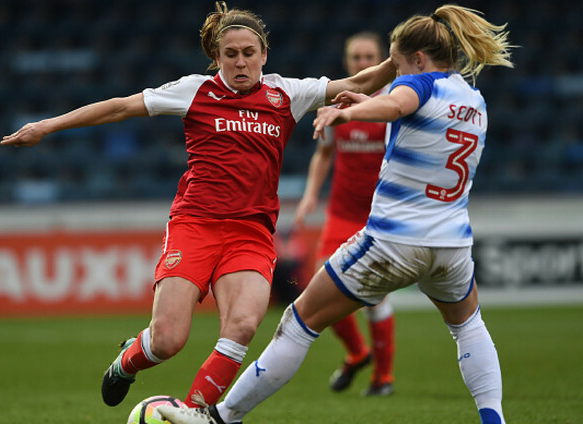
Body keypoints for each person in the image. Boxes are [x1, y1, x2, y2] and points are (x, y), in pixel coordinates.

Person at [0, 1, 396, 411]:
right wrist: (47, 125)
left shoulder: (286, 92)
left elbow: (363, 81)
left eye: (249, 53)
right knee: (168, 340)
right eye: (230, 54)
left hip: (251, 233)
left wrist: (399, 57)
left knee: (242, 327)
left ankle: (192, 414)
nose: (240, 62)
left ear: (264, 55)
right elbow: (120, 106)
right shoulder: (195, 90)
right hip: (195, 225)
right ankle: (126, 362)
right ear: (217, 57)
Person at [158, 4, 514, 424]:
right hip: (452, 244)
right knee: (469, 326)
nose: (396, 74)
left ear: (418, 60)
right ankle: (493, 418)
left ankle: (221, 417)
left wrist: (347, 112)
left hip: (395, 241)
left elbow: (397, 104)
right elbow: (410, 115)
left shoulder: (417, 83)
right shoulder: (473, 99)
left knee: (299, 321)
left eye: (397, 65)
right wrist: (366, 101)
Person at [293, 31, 395, 396]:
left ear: (381, 61)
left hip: (380, 215)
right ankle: (357, 353)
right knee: (321, 289)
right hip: (341, 213)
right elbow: (323, 154)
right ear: (347, 63)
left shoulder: (395, 104)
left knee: (375, 297)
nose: (362, 63)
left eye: (369, 57)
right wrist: (310, 195)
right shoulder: (338, 104)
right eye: (356, 58)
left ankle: (383, 378)